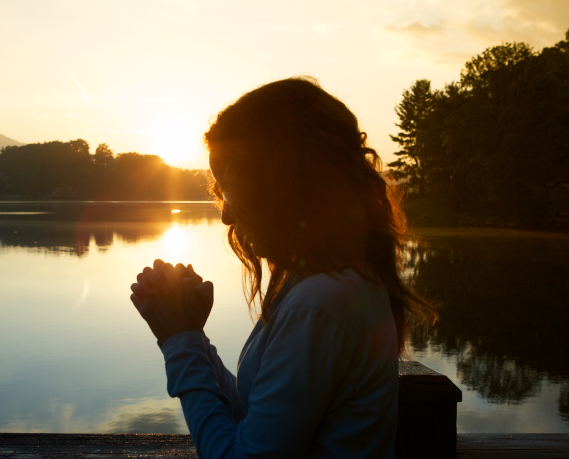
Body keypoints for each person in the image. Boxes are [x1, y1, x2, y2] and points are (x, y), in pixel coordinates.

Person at [130, 77, 436, 458]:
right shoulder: (322, 282)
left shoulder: (320, 303)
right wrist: (192, 336)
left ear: (274, 186)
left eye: (230, 188)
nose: (225, 215)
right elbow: (260, 423)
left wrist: (179, 342)